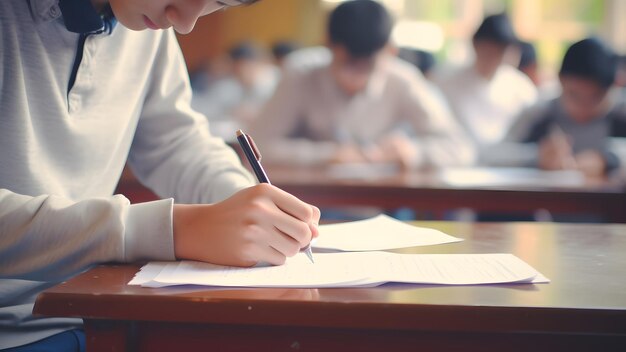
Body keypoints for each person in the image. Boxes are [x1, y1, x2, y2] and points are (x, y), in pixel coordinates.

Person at [0, 0, 320, 350]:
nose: (184, 24)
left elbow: (176, 143)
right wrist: (168, 230)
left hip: (98, 310)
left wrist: (247, 203)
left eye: (218, 3)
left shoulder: (146, 26)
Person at [250, 0, 473, 169]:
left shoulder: (403, 80)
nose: (355, 76)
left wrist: (412, 152)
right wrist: (328, 154)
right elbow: (258, 146)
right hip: (311, 200)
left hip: (383, 203)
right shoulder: (300, 73)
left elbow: (461, 148)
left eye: (368, 67)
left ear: (390, 51)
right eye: (346, 64)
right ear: (327, 45)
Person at [482, 38, 626, 178]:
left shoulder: (620, 114)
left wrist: (610, 160)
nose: (583, 107)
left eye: (595, 97)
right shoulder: (540, 113)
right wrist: (537, 156)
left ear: (615, 87)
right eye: (574, 95)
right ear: (560, 80)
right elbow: (490, 155)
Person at [435, 13, 537, 150]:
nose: (493, 57)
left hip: (509, 162)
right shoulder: (446, 81)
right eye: (488, 49)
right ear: (475, 44)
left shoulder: (521, 88)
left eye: (500, 51)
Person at [191, 42, 280, 139]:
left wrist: (259, 115)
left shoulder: (275, 83)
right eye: (237, 70)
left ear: (259, 64)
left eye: (247, 68)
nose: (242, 73)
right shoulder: (230, 85)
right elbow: (207, 108)